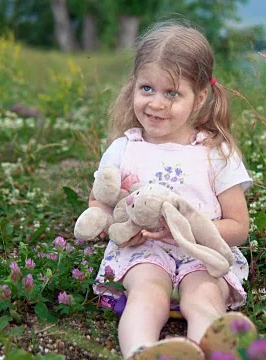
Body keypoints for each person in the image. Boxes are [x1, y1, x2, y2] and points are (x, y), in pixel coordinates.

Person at [87, 20, 256, 360]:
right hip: (144, 253)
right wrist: (119, 231)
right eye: (146, 89)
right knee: (148, 294)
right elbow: (99, 205)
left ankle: (207, 350)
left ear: (200, 98)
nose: (156, 104)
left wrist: (186, 232)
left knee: (204, 298)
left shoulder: (216, 153)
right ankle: (140, 351)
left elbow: (238, 226)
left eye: (172, 93)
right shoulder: (124, 149)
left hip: (200, 255)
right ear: (133, 86)